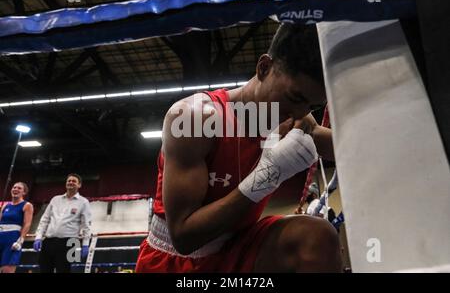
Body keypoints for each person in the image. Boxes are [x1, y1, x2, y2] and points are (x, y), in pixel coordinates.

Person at [136, 23, 342, 273]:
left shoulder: (292, 115)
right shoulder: (196, 118)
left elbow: (344, 150)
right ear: (264, 67)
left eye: (311, 105)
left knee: (317, 237)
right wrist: (267, 177)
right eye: (296, 98)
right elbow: (184, 239)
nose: (300, 112)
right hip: (175, 262)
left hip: (238, 246)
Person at [33, 173, 92, 273]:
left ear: (79, 185)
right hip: (49, 240)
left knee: (65, 270)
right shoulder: (55, 199)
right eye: (69, 181)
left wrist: (86, 244)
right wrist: (38, 237)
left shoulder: (84, 202)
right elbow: (45, 219)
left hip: (71, 242)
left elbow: (86, 224)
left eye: (74, 181)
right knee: (44, 269)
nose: (71, 182)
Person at [0, 182, 33, 273]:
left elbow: (27, 224)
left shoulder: (27, 205)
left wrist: (21, 240)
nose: (16, 189)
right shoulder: (5, 206)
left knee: (7, 270)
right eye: (14, 187)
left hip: (12, 240)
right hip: (0, 236)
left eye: (19, 188)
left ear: (24, 192)